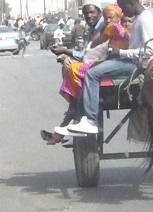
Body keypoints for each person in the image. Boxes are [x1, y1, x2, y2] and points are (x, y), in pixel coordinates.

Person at [61, 0, 153, 135]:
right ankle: (79, 117)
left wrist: (121, 52)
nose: (123, 12)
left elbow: (150, 52)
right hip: (128, 60)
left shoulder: (144, 20)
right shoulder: (139, 19)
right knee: (90, 69)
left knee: (91, 73)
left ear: (131, 3)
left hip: (135, 64)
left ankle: (90, 121)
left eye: (123, 7)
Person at [41, 0, 106, 145]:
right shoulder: (92, 28)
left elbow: (91, 54)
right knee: (67, 63)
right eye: (86, 13)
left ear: (100, 13)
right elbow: (88, 53)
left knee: (71, 70)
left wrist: (66, 51)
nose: (89, 16)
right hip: (96, 62)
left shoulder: (102, 28)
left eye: (92, 12)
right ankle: (62, 131)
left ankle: (61, 132)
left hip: (101, 65)